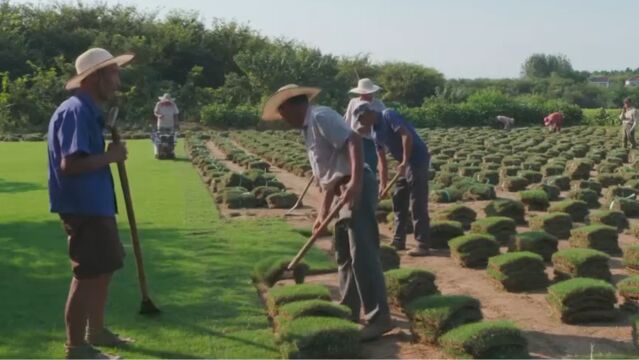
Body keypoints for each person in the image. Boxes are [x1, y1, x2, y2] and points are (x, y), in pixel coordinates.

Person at [262, 84, 393, 341]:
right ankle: (348, 309)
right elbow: (328, 176)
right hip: (340, 192)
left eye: (282, 111)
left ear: (293, 104)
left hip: (357, 188)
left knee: (363, 254)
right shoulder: (308, 129)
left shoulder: (321, 116)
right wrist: (322, 214)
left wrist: (355, 183)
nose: (282, 117)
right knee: (343, 254)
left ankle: (380, 319)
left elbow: (354, 140)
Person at [48, 48, 134, 359]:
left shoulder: (88, 110)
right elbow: (69, 165)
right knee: (87, 274)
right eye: (113, 73)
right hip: (83, 205)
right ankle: (76, 347)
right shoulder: (75, 111)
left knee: (104, 267)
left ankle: (96, 330)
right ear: (96, 77)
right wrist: (111, 157)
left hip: (96, 203)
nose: (117, 80)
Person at [353, 102, 432, 257]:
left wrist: (404, 161)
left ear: (368, 114)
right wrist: (383, 185)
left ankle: (422, 244)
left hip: (417, 159)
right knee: (398, 198)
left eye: (361, 119)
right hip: (404, 164)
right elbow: (382, 161)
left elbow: (406, 135)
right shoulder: (375, 134)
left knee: (417, 201)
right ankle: (398, 239)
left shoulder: (388, 115)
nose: (360, 123)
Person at [343, 79, 386, 171]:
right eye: (365, 93)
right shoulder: (353, 102)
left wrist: (369, 127)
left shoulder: (378, 104)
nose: (368, 95)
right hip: (354, 139)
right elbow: (348, 120)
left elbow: (383, 122)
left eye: (370, 93)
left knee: (369, 169)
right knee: (353, 168)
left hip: (370, 141)